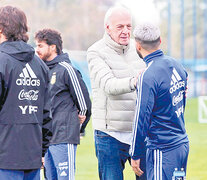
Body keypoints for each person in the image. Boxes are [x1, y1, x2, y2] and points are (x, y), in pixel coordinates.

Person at [87, 6, 146, 180]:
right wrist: (135, 81)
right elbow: (108, 85)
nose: (126, 31)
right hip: (109, 135)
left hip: (138, 133)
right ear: (107, 28)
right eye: (120, 27)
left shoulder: (139, 47)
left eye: (129, 26)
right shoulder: (95, 51)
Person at [130, 23, 189, 180]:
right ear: (160, 41)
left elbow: (141, 118)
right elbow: (182, 102)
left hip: (162, 149)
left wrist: (135, 153)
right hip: (181, 145)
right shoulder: (177, 65)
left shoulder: (147, 75)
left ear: (137, 45)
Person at [0, 5, 51, 180]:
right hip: (32, 158)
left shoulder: (1, 61)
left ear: (1, 29)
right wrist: (41, 150)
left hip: (5, 161)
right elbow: (46, 114)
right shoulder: (40, 65)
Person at [35, 29, 91, 180]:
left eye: (40, 46)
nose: (37, 50)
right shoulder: (42, 70)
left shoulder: (67, 69)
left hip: (63, 137)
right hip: (46, 141)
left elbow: (84, 103)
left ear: (52, 47)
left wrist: (78, 127)